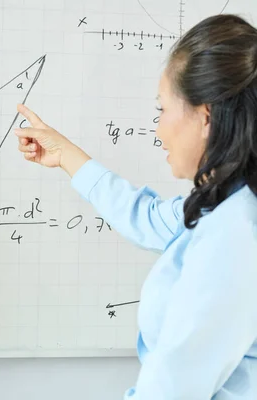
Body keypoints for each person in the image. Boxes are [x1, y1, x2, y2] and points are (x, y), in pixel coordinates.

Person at [15, 14, 257, 399]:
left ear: (205, 117)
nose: (158, 129)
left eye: (162, 109)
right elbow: (146, 218)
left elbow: (174, 388)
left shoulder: (234, 235)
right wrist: (64, 154)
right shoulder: (226, 204)